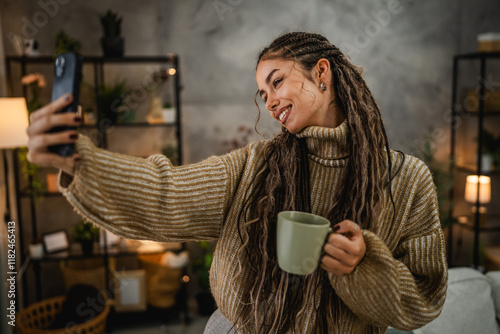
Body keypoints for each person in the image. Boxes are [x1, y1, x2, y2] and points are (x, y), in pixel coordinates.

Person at [26, 32, 447, 333]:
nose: (270, 102)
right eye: (263, 94)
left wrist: (363, 266)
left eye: (277, 81)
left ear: (322, 72)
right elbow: (166, 193)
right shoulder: (254, 166)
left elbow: (423, 301)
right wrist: (79, 161)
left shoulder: (407, 181)